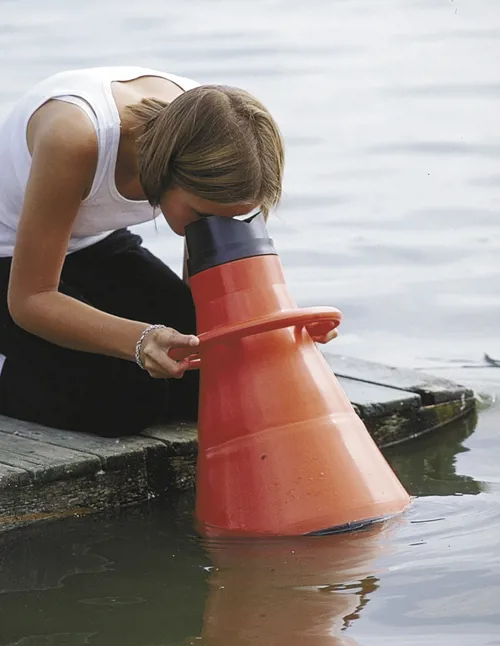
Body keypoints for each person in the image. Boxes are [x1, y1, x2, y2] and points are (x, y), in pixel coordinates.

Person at [0, 66, 336, 437]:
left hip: (91, 239)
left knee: (213, 376)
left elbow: (205, 300)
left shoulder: (226, 140)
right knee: (121, 401)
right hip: (10, 256)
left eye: (232, 220)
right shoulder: (76, 137)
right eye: (203, 216)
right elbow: (31, 298)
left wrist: (272, 333)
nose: (212, 230)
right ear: (164, 171)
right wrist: (140, 340)